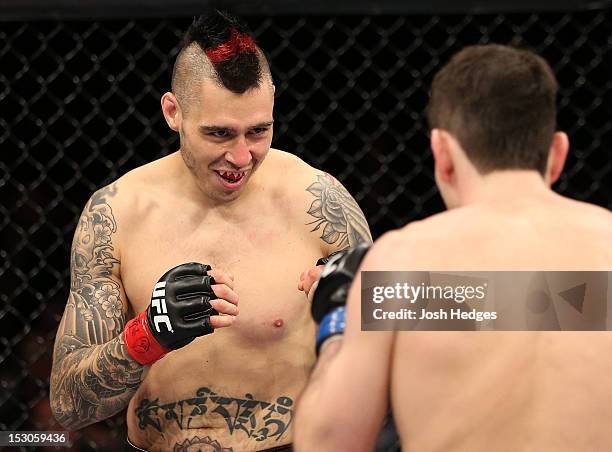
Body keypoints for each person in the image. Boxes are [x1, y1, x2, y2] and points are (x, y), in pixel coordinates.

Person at [49, 10, 372, 452]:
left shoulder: (319, 203)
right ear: (173, 112)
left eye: (259, 131)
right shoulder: (117, 213)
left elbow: (405, 349)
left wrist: (351, 315)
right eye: (219, 133)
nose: (241, 157)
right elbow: (69, 404)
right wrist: (148, 336)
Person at [294, 44, 612, 451]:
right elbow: (538, 303)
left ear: (441, 153)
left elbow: (328, 444)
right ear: (558, 153)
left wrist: (337, 318)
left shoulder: (405, 269)